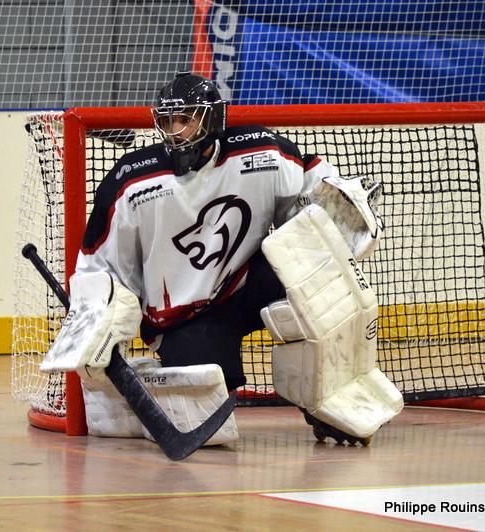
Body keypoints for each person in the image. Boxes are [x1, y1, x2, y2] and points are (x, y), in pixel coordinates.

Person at [48, 72, 403, 447]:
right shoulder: (131, 182)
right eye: (168, 121)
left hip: (248, 285)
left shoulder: (262, 152)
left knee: (319, 281)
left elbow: (313, 193)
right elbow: (99, 265)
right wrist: (98, 326)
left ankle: (330, 403)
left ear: (212, 118)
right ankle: (151, 381)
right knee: (211, 419)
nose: (176, 130)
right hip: (184, 319)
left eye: (186, 118)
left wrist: (343, 207)